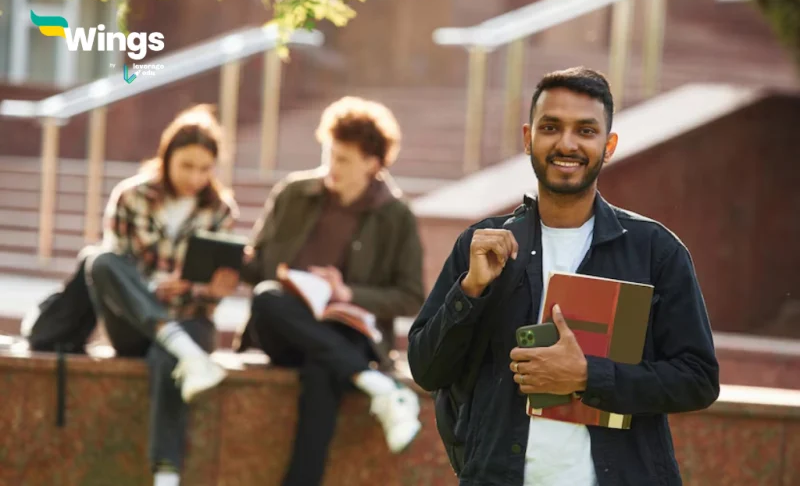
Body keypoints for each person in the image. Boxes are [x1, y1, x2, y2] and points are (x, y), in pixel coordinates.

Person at [408, 67, 720, 486]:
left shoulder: (654, 251)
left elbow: (698, 379)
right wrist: (471, 289)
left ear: (608, 146)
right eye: (551, 127)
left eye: (585, 130)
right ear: (528, 138)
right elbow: (426, 370)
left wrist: (588, 377)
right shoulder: (482, 246)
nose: (567, 144)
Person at [235, 96, 425, 486]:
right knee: (268, 297)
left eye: (343, 160)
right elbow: (258, 269)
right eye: (329, 155)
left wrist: (347, 294)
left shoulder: (396, 216)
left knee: (323, 370)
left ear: (372, 164)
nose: (330, 167)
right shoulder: (294, 193)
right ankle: (376, 385)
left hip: (349, 333)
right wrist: (228, 261)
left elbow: (410, 295)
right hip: (285, 327)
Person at [83, 104, 241, 486]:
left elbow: (214, 296)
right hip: (133, 325)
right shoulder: (130, 197)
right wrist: (154, 287)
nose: (195, 177)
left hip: (192, 320)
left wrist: (203, 287)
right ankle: (185, 352)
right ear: (166, 157)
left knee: (165, 354)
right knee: (100, 261)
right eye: (187, 165)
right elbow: (115, 275)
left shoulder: (220, 210)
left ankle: (166, 475)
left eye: (205, 168)